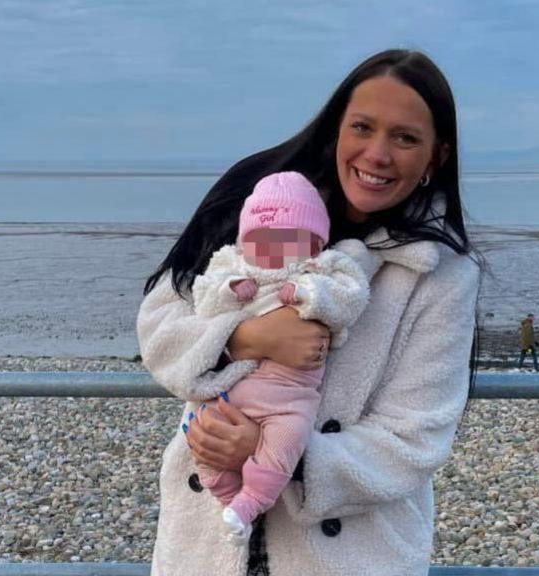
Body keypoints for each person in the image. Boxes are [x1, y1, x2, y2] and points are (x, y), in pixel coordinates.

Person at [137, 49, 481, 576]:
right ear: (336, 129)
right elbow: (158, 327)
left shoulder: (441, 271)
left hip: (348, 553)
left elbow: (414, 439)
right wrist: (244, 338)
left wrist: (274, 453)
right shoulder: (254, 199)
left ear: (437, 156)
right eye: (362, 127)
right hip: (205, 537)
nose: (378, 154)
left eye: (405, 138)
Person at [189, 170, 372, 542]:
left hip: (290, 396)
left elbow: (350, 299)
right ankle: (228, 500)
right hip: (233, 388)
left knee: (286, 438)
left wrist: (308, 295)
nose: (275, 249)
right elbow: (202, 297)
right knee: (203, 436)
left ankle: (251, 500)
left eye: (290, 239)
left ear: (315, 244)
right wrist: (231, 293)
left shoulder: (321, 270)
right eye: (263, 239)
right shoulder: (233, 266)